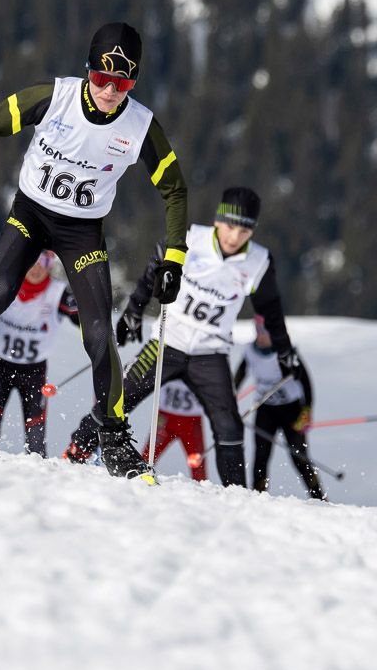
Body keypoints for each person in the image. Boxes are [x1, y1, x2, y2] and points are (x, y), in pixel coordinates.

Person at [0, 22, 189, 478]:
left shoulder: (140, 127)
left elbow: (175, 191)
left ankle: (113, 438)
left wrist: (174, 259)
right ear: (88, 70)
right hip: (31, 214)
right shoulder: (55, 98)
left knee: (98, 332)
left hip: (82, 232)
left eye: (123, 83)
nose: (110, 91)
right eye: (102, 78)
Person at [93, 186, 298, 487]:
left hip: (210, 353)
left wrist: (284, 350)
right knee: (118, 396)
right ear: (218, 221)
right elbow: (154, 269)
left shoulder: (258, 262)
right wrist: (134, 311)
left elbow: (272, 311)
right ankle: (76, 452)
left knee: (230, 426)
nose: (234, 237)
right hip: (167, 343)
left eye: (244, 230)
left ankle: (237, 495)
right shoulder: (190, 238)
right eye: (230, 226)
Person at [0, 257, 78, 453]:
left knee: (36, 445)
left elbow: (85, 323)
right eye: (33, 262)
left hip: (34, 372)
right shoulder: (3, 283)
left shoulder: (58, 293)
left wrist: (96, 315)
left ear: (50, 266)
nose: (36, 269)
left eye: (43, 264)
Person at [239, 319, 325, 499]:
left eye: (265, 332)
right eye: (258, 331)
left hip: (291, 410)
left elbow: (306, 382)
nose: (261, 336)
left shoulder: (286, 351)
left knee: (299, 457)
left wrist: (307, 411)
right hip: (266, 410)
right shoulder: (250, 352)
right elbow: (237, 379)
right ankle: (258, 496)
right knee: (261, 456)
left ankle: (318, 497)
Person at [148, 375, 210, 482]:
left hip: (191, 421)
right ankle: (136, 480)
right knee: (148, 456)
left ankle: (202, 489)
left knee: (198, 465)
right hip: (166, 418)